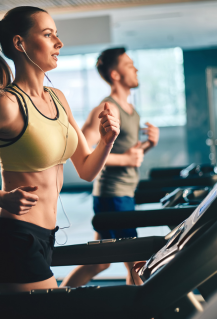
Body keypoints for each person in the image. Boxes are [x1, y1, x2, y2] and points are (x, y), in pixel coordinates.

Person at [0, 6, 120, 293]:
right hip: (15, 239)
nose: (59, 42)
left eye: (57, 34)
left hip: (46, 237)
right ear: (20, 44)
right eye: (47, 34)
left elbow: (87, 170)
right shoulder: (5, 106)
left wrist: (106, 141)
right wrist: (1, 199)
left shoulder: (58, 98)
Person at [60, 48, 159, 287]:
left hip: (123, 194)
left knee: (99, 262)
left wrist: (147, 145)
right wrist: (125, 160)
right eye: (129, 64)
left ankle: (58, 299)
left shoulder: (131, 112)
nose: (135, 68)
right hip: (113, 195)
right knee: (136, 261)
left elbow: (127, 154)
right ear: (115, 74)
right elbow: (80, 146)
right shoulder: (108, 108)